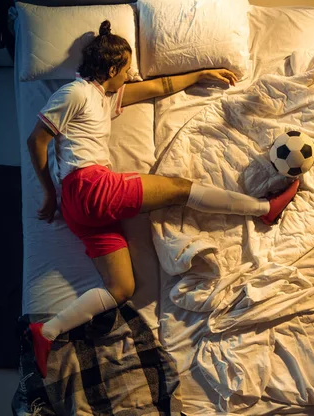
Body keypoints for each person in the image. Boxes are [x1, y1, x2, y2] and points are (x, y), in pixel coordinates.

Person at [27, 20, 299, 377]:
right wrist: (49, 192)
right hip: (89, 187)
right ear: (111, 69)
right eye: (126, 70)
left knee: (121, 288)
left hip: (84, 211)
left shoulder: (104, 98)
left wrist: (202, 72)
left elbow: (159, 86)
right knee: (178, 189)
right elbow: (37, 141)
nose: (130, 75)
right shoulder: (75, 93)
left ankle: (46, 332)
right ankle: (265, 209)